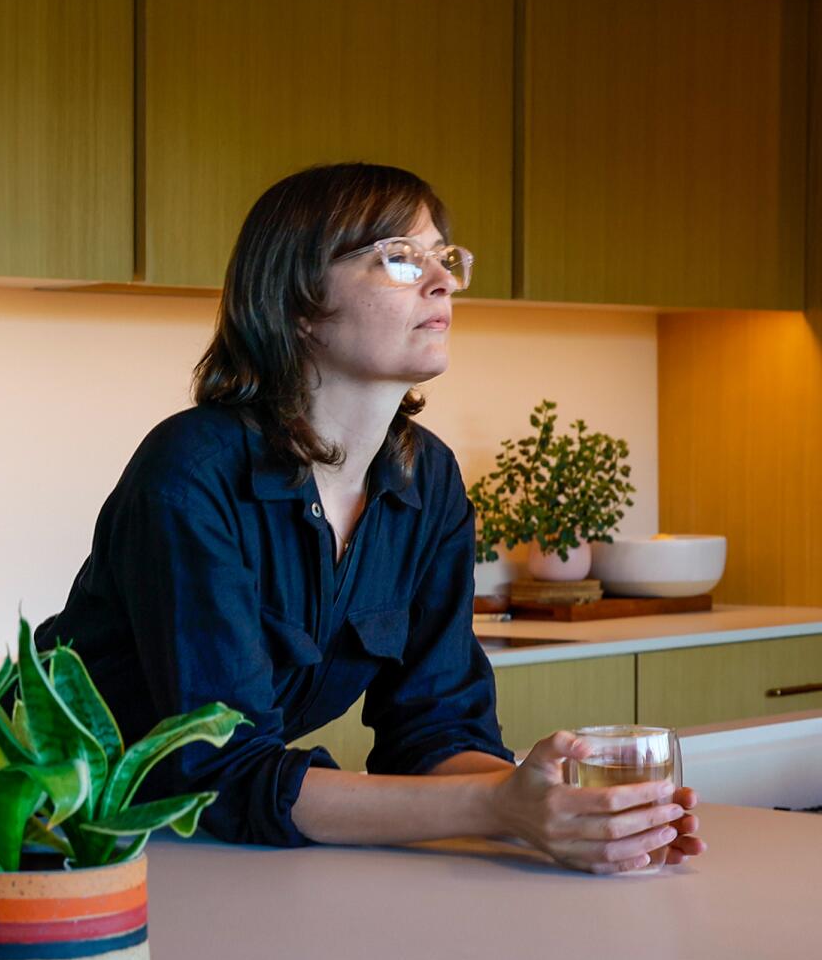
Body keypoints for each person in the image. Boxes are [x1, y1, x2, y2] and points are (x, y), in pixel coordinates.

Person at [35, 163, 704, 874]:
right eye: (398, 259)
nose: (442, 281)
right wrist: (496, 809)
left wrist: (547, 805)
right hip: (12, 837)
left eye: (444, 258)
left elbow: (436, 731)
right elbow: (222, 773)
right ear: (297, 303)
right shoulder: (195, 469)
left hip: (187, 854)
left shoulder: (428, 480)